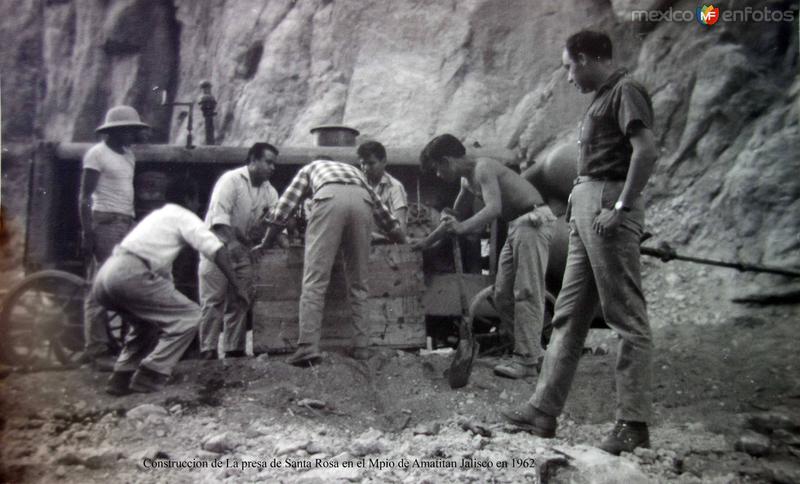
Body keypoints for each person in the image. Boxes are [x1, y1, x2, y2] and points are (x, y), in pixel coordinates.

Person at [501, 30, 659, 455]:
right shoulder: (603, 98)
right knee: (569, 314)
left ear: (587, 58)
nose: (569, 76)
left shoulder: (626, 90)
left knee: (626, 317)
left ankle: (633, 423)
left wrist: (621, 207)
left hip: (609, 203)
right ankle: (542, 410)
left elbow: (645, 151)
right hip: (588, 204)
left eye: (570, 66)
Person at [416, 134, 556, 379]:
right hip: (517, 226)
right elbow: (454, 216)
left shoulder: (484, 168)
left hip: (533, 221)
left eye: (437, 169)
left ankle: (526, 360)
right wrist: (426, 242)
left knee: (527, 291)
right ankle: (534, 353)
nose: (438, 175)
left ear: (447, 161)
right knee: (501, 295)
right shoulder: (466, 181)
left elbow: (493, 209)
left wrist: (463, 228)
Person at [93, 177, 248, 395]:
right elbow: (216, 248)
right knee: (191, 316)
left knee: (145, 325)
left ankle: (121, 377)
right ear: (189, 198)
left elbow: (164, 275)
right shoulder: (183, 216)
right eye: (195, 200)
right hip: (130, 273)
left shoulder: (158, 216)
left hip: (107, 275)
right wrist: (237, 285)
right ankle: (151, 374)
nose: (197, 205)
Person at [253, 159, 407, 366]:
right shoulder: (355, 172)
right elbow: (383, 213)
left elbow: (284, 207)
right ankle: (362, 347)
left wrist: (266, 242)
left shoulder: (309, 168)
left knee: (315, 279)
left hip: (329, 198)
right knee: (359, 282)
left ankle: (308, 347)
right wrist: (403, 241)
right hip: (363, 203)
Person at [78, 105, 149, 370]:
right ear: (116, 132)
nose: (133, 135)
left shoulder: (128, 155)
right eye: (129, 130)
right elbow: (84, 197)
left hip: (125, 222)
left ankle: (125, 344)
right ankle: (95, 349)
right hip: (105, 222)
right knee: (101, 284)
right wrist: (88, 232)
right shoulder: (96, 155)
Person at [198, 142, 280, 360]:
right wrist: (233, 244)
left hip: (242, 249)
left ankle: (234, 349)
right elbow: (219, 217)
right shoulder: (230, 181)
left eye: (274, 164)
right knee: (214, 299)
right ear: (252, 160)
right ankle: (208, 349)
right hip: (215, 246)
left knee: (240, 299)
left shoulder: (270, 191)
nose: (272, 167)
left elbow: (275, 220)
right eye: (268, 162)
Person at [357, 140, 409, 239]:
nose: (366, 168)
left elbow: (400, 227)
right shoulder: (358, 185)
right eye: (363, 164)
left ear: (384, 161)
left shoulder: (395, 187)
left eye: (371, 163)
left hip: (384, 243)